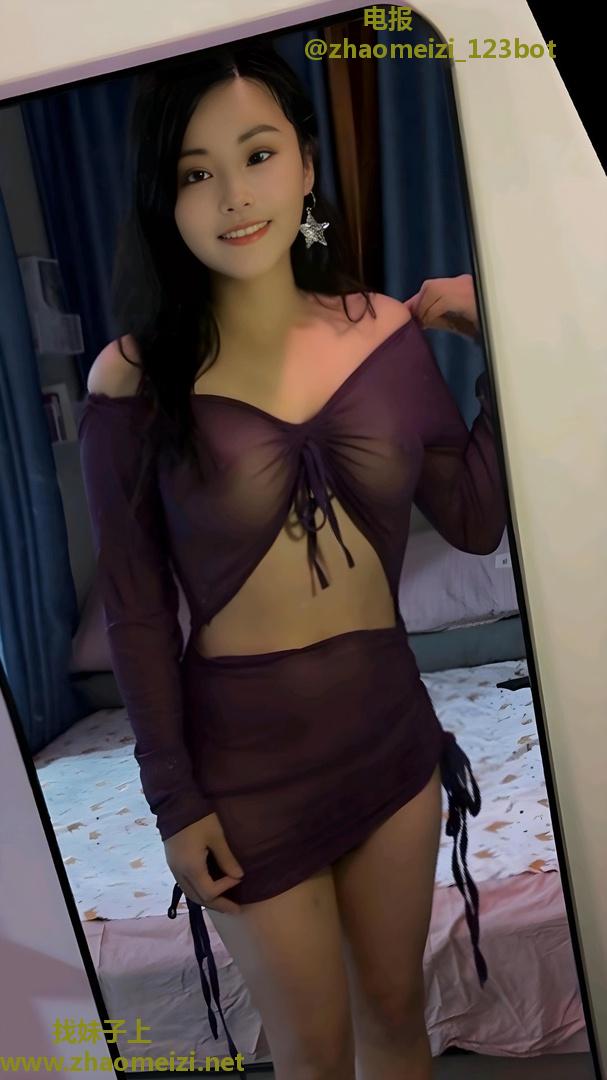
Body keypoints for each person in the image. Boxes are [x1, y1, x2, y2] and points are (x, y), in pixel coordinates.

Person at [79, 40, 507, 1080]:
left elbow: (475, 519)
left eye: (258, 154)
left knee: (397, 1015)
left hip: (390, 735)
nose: (233, 195)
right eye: (195, 171)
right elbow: (136, 610)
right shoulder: (132, 380)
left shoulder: (385, 334)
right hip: (243, 771)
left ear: (307, 163)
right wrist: (174, 803)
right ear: (165, 199)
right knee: (312, 1056)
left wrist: (504, 345)